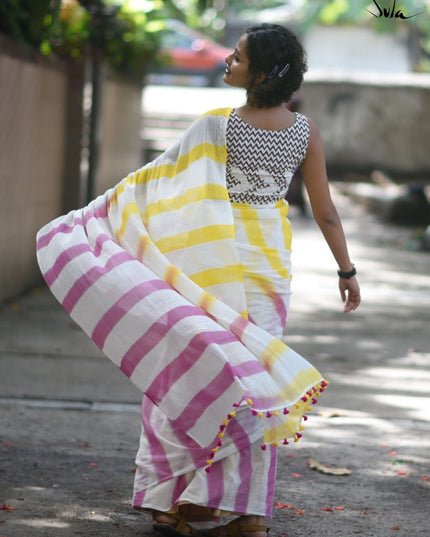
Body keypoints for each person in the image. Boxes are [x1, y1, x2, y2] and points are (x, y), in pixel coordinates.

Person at [36, 23, 360, 537]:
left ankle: (175, 505)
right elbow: (326, 213)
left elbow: (153, 187)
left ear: (261, 73)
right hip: (268, 273)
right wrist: (347, 270)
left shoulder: (216, 126)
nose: (227, 62)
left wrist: (93, 220)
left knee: (186, 371)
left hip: (207, 267)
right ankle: (247, 515)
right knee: (255, 383)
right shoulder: (305, 131)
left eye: (238, 57)